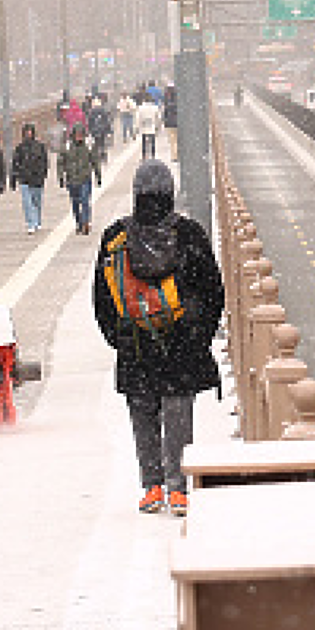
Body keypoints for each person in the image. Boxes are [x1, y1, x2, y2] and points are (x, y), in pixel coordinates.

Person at [92, 160, 223, 517]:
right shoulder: (189, 235)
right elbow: (213, 291)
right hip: (181, 344)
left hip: (136, 345)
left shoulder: (115, 238)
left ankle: (151, 486)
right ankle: (179, 489)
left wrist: (121, 337)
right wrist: (198, 337)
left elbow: (102, 300)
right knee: (178, 412)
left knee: (143, 413)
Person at [58, 122, 103, 235]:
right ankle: (78, 222)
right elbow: (60, 162)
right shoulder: (67, 146)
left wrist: (98, 175)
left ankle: (86, 222)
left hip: (85, 178)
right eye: (77, 134)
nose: (79, 137)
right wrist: (60, 177)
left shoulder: (88, 145)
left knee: (85, 200)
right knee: (75, 203)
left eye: (81, 134)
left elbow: (95, 160)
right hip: (72, 179)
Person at [10, 123, 50, 235]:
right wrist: (13, 178)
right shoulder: (20, 148)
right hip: (24, 179)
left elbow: (45, 162)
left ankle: (37, 221)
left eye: (30, 132)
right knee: (27, 202)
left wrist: (43, 174)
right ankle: (30, 223)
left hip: (37, 179)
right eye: (26, 132)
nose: (28, 134)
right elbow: (15, 164)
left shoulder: (40, 147)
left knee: (37, 202)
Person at [136, 93, 162, 158]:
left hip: (144, 126)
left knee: (144, 142)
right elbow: (159, 117)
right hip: (152, 126)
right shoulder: (155, 107)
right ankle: (153, 156)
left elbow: (138, 118)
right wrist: (158, 126)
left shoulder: (140, 107)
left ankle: (144, 155)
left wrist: (137, 127)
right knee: (153, 142)